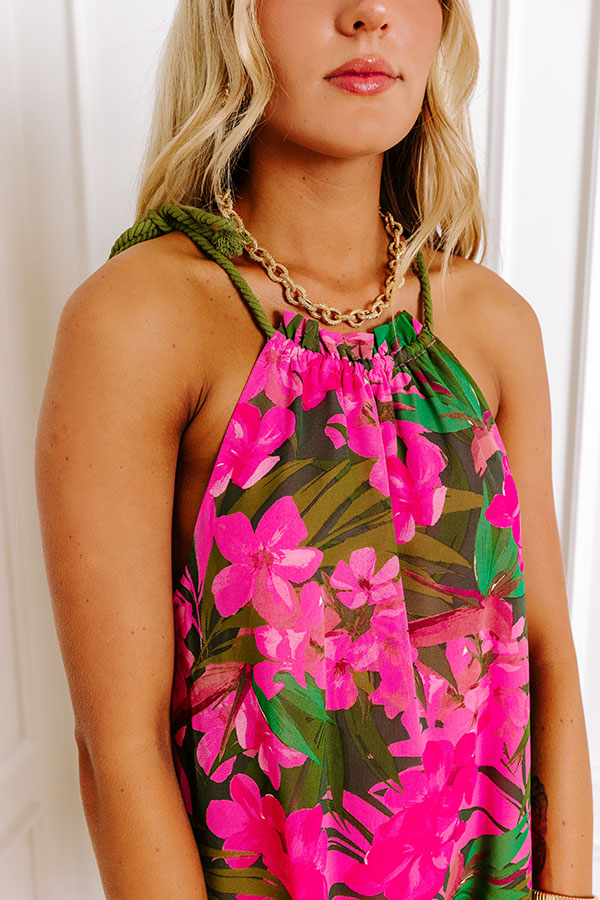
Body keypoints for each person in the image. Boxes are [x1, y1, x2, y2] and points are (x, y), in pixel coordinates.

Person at [35, 1, 595, 898]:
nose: (368, 14)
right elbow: (119, 749)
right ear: (234, 18)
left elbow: (548, 659)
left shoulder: (491, 326)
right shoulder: (143, 320)